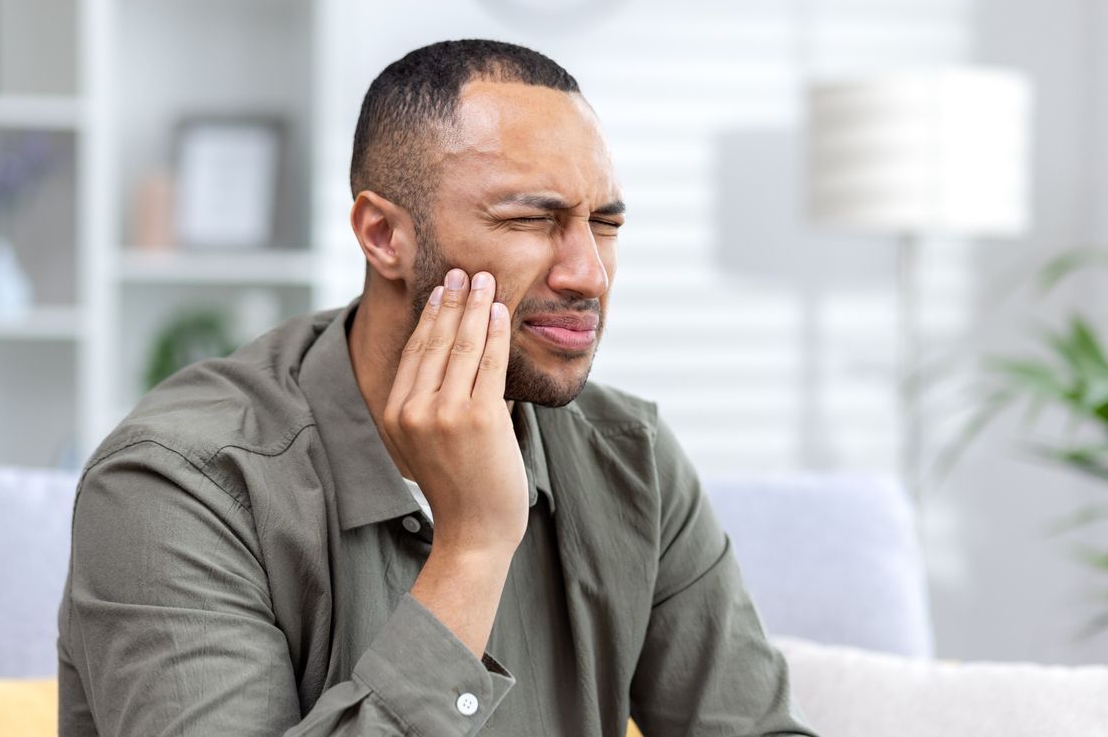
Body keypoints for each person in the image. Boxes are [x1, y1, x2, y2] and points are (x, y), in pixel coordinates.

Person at [58, 39, 819, 737]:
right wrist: (474, 547)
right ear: (384, 235)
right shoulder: (177, 483)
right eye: (531, 219)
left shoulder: (630, 457)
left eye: (605, 224)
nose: (588, 272)